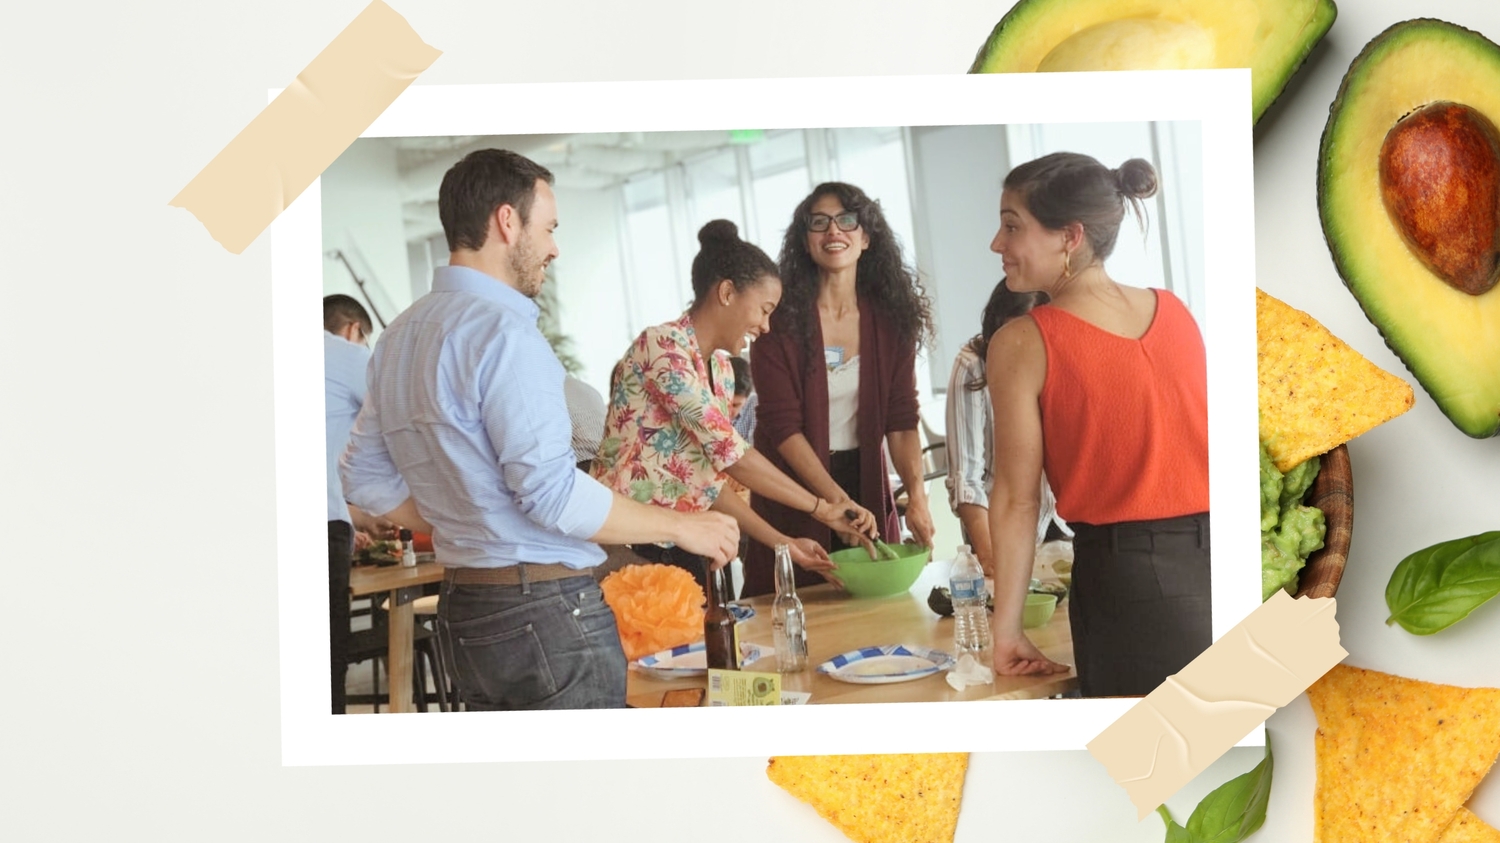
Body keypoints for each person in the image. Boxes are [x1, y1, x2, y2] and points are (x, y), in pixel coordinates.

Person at [341, 149, 738, 712]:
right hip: (546, 612)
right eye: (549, 228)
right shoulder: (503, 333)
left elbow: (362, 476)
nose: (554, 246)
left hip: (465, 609)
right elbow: (553, 495)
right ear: (508, 222)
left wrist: (470, 517)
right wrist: (682, 526)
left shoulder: (398, 336)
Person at [984, 152, 1209, 697]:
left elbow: (1017, 497)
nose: (997, 243)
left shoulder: (1023, 341)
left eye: (1013, 226)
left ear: (1070, 236)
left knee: (1151, 769)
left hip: (1129, 586)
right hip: (1230, 567)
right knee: (1232, 750)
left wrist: (1006, 629)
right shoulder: (1176, 312)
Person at [591, 219, 876, 596]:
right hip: (628, 543)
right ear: (727, 292)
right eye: (764, 309)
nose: (766, 326)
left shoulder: (722, 372)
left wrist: (782, 543)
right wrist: (821, 508)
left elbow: (710, 485)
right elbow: (734, 455)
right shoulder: (662, 347)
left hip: (688, 543)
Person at [744, 182, 936, 597]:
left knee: (874, 608)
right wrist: (836, 502)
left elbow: (901, 419)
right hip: (794, 489)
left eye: (847, 221)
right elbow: (782, 427)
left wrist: (917, 497)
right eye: (820, 223)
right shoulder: (777, 321)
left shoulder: (891, 318)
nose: (834, 232)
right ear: (805, 240)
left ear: (866, 237)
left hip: (865, 480)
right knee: (796, 613)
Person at [943, 279, 1064, 579]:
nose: (1018, 349)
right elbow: (966, 478)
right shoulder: (972, 365)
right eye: (1008, 336)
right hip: (998, 529)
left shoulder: (1065, 357)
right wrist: (988, 555)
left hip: (1064, 526)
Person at [323, 293, 395, 715]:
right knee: (328, 656)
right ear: (354, 331)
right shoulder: (345, 354)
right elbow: (397, 421)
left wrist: (359, 514)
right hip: (324, 532)